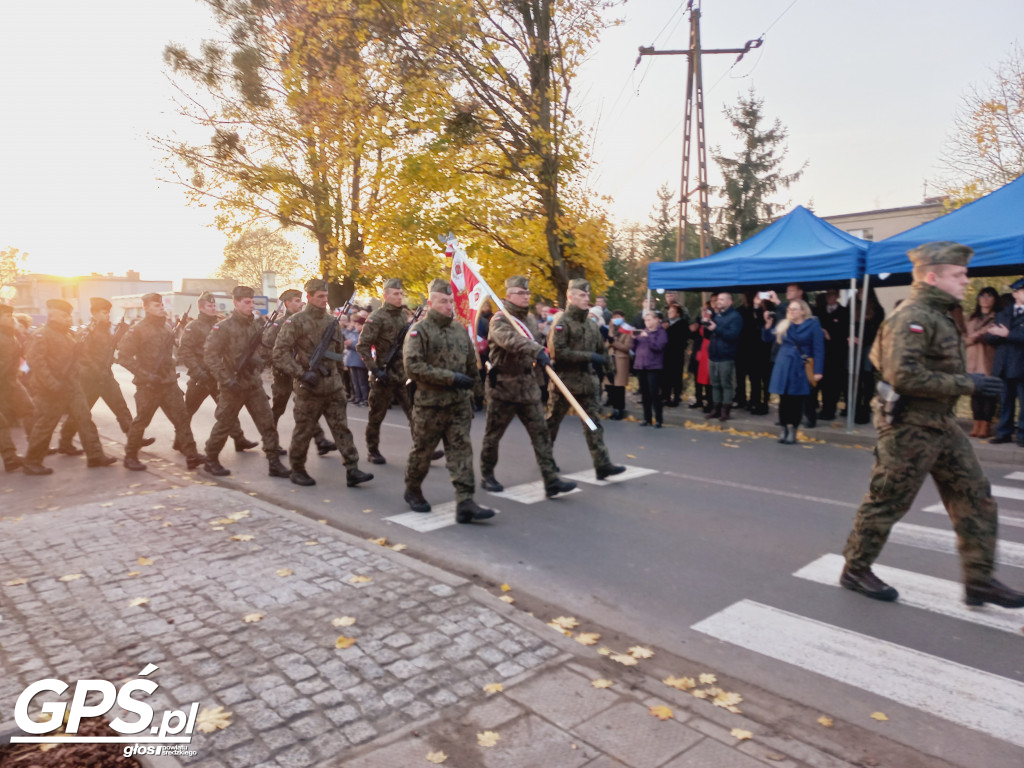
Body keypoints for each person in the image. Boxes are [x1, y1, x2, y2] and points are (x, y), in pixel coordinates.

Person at [840, 242, 1023, 608]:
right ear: (932, 276)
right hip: (908, 425)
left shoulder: (940, 314)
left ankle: (979, 581)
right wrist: (968, 383)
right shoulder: (912, 316)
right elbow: (903, 376)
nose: (966, 282)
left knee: (975, 496)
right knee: (888, 500)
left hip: (940, 422)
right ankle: (855, 569)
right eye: (959, 275)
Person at [402, 278, 493, 523]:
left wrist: (478, 394)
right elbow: (413, 367)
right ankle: (413, 490)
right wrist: (451, 378)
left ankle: (465, 501)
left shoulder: (459, 330)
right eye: (443, 301)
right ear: (430, 302)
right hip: (430, 404)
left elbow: (471, 366)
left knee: (461, 451)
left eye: (450, 301)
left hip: (458, 405)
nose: (448, 306)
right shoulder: (418, 331)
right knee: (423, 451)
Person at [478, 276, 576, 498]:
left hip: (528, 386)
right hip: (503, 386)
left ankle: (551, 480)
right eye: (521, 293)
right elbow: (511, 341)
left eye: (527, 293)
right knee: (493, 434)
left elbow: (537, 343)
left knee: (541, 433)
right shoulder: (499, 320)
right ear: (509, 296)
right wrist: (536, 350)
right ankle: (487, 474)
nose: (526, 297)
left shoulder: (530, 320)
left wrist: (542, 356)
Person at [272, 279, 374, 488]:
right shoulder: (296, 322)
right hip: (309, 387)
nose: (323, 300)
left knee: (341, 428)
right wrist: (301, 373)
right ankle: (298, 469)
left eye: (325, 297)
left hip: (333, 387)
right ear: (309, 297)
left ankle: (352, 469)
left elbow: (337, 354)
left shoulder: (331, 322)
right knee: (304, 430)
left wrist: (340, 382)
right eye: (319, 297)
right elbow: (279, 353)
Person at [200, 286, 289, 478]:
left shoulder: (256, 326)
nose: (251, 306)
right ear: (236, 303)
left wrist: (258, 362)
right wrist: (225, 378)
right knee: (224, 424)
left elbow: (265, 349)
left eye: (252, 302)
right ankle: (211, 459)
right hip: (232, 385)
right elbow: (210, 356)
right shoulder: (223, 327)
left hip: (253, 384)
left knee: (267, 423)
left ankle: (274, 462)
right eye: (246, 302)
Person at [21, 299, 118, 475]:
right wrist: (52, 384)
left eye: (69, 315)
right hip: (51, 389)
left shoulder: (68, 335)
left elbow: (76, 362)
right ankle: (32, 462)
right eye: (64, 315)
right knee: (46, 425)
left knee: (85, 419)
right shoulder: (42, 335)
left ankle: (95, 456)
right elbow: (37, 363)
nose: (68, 319)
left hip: (72, 386)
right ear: (52, 315)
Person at [545, 279, 624, 480]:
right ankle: (545, 460)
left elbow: (601, 349)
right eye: (581, 295)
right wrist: (588, 357)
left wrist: (609, 367)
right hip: (565, 382)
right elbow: (559, 353)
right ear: (570, 297)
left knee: (593, 424)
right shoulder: (562, 322)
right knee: (552, 423)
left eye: (588, 295)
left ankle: (602, 464)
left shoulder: (590, 324)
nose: (586, 298)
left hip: (587, 383)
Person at [118, 294, 206, 472]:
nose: (161, 307)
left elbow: (169, 355)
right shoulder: (138, 330)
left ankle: (191, 455)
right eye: (156, 305)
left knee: (181, 419)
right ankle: (130, 456)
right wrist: (146, 375)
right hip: (149, 386)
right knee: (142, 421)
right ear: (146, 308)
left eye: (161, 305)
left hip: (168, 384)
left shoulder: (166, 327)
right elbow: (123, 358)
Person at [358, 278, 441, 465]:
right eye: (395, 294)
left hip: (402, 375)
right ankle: (372, 450)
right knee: (376, 416)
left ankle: (423, 448)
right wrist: (375, 370)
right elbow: (362, 347)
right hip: (383, 376)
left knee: (414, 413)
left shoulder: (402, 316)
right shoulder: (376, 318)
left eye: (401, 293)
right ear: (385, 296)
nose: (399, 296)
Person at [56, 297, 154, 455]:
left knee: (121, 409)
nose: (107, 315)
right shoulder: (87, 331)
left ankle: (134, 438)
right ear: (94, 313)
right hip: (90, 381)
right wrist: (96, 370)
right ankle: (65, 442)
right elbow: (81, 357)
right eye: (103, 312)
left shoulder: (106, 330)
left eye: (108, 312)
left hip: (106, 378)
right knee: (80, 413)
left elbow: (107, 352)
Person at [176, 292, 259, 455]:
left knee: (228, 409)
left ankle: (239, 439)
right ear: (201, 307)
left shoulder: (220, 324)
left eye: (214, 305)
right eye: (209, 305)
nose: (213, 308)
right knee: (188, 411)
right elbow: (185, 352)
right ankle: (180, 441)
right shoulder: (193, 327)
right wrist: (198, 372)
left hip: (218, 375)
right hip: (201, 378)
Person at [265, 288, 335, 455]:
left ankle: (320, 440)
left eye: (300, 300)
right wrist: (281, 360)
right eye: (296, 301)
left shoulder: (304, 321)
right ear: (287, 303)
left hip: (300, 372)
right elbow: (268, 343)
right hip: (283, 373)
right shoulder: (281, 323)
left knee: (306, 407)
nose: (300, 303)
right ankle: (270, 443)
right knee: (277, 409)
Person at [764, 299, 824, 444]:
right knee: (783, 398)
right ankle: (783, 428)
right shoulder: (784, 324)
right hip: (783, 363)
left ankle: (793, 429)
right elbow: (767, 338)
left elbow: (819, 349)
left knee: (796, 399)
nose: (791, 311)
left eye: (795, 309)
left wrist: (818, 371)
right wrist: (767, 324)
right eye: (790, 309)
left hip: (800, 365)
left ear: (803, 311)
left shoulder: (813, 324)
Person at [986, 277, 1024, 446]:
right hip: (1004, 365)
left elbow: (1009, 335)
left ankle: (1022, 435)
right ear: (1016, 294)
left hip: (1021, 365)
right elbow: (989, 336)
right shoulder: (1003, 313)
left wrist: (1008, 335)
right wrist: (996, 334)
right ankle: (1004, 432)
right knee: (1005, 401)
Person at [0, 303, 36, 472]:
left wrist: (20, 371)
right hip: (5, 383)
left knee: (29, 409)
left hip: (11, 382)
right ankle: (10, 457)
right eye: (6, 316)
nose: (10, 319)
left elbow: (18, 359)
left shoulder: (10, 335)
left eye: (10, 315)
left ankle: (36, 447)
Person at [964, 286, 999, 438]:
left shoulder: (998, 317)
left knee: (989, 393)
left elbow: (996, 337)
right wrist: (974, 337)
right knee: (975, 393)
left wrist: (982, 336)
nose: (985, 299)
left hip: (989, 359)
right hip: (971, 359)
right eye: (982, 295)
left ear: (995, 299)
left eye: (989, 296)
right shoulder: (970, 318)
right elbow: (962, 339)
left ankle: (986, 425)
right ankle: (976, 424)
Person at [705, 292, 742, 422]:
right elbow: (708, 334)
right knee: (715, 384)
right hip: (713, 355)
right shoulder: (716, 315)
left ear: (729, 302)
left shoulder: (735, 316)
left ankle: (725, 411)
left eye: (721, 299)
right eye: (718, 300)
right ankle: (716, 409)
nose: (718, 302)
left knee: (726, 384)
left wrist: (716, 328)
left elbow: (733, 335)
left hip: (726, 356)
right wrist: (705, 323)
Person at [815, 288, 849, 421]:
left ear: (838, 296)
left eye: (832, 294)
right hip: (822, 352)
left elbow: (845, 332)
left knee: (833, 383)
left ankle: (830, 409)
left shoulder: (844, 312)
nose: (830, 297)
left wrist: (831, 335)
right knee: (822, 382)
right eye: (828, 294)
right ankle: (823, 407)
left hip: (836, 353)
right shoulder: (820, 311)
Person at [633, 310, 667, 427]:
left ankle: (658, 419)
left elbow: (658, 347)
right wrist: (634, 338)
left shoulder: (661, 332)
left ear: (656, 320)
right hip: (641, 365)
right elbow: (634, 348)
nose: (647, 323)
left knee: (654, 394)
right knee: (645, 394)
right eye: (645, 320)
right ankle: (646, 418)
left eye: (649, 320)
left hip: (654, 367)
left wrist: (647, 337)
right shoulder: (644, 332)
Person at [661, 303, 689, 408]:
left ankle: (676, 397)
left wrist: (668, 330)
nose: (669, 313)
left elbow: (681, 339)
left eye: (672, 312)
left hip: (677, 354)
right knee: (666, 376)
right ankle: (666, 397)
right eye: (669, 312)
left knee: (676, 376)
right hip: (666, 354)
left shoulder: (683, 324)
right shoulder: (666, 324)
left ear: (678, 314)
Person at [607, 311, 632, 419]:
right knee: (609, 385)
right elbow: (606, 344)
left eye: (619, 317)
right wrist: (610, 341)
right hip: (610, 359)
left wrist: (614, 343)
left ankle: (619, 409)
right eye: (614, 317)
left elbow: (627, 347)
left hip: (621, 360)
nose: (616, 318)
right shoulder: (611, 329)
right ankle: (614, 408)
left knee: (619, 387)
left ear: (623, 318)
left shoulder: (627, 330)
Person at [344, 310, 370, 406]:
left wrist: (352, 344)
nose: (357, 326)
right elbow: (346, 338)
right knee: (355, 382)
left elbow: (362, 345)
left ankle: (365, 398)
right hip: (351, 360)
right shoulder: (353, 333)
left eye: (360, 325)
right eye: (357, 324)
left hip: (360, 360)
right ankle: (357, 397)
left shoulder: (365, 334)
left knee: (362, 381)